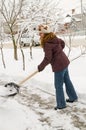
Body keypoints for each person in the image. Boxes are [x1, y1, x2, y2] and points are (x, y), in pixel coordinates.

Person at [37, 24, 78, 110]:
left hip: (59, 65)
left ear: (45, 34)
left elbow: (48, 58)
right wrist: (58, 52)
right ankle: (73, 97)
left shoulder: (47, 43)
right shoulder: (54, 38)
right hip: (64, 62)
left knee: (58, 85)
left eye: (40, 33)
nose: (39, 35)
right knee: (67, 80)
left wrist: (40, 67)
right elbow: (62, 43)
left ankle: (61, 105)